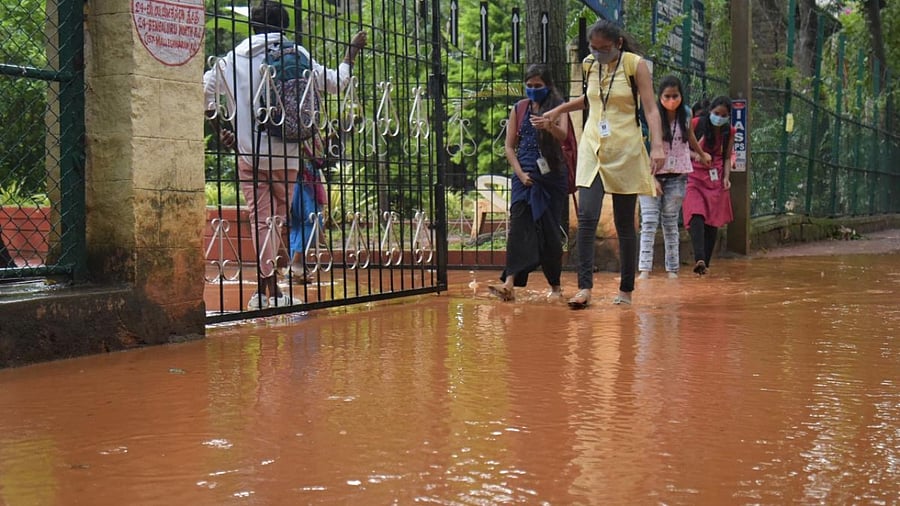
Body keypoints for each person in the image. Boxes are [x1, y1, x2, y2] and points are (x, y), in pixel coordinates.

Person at [203, 1, 366, 310]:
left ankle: (265, 291)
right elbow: (338, 82)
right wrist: (351, 51)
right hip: (289, 153)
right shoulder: (298, 54)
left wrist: (221, 127)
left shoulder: (231, 58)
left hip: (250, 152)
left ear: (253, 27)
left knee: (260, 219)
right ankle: (273, 290)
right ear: (284, 27)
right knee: (279, 220)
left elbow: (204, 93)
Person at [543, 19, 665, 308]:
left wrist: (658, 146)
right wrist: (561, 107)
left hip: (625, 149)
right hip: (593, 147)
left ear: (618, 44)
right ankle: (584, 288)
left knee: (624, 223)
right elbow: (590, 99)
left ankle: (625, 290)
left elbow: (650, 107)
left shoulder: (636, 65)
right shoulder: (589, 64)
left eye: (604, 48)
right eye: (593, 48)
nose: (598, 53)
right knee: (586, 218)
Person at [487, 65, 569, 302]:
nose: (533, 90)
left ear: (548, 85)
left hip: (551, 178)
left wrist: (549, 125)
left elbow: (564, 136)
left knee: (549, 232)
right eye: (529, 86)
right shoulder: (519, 108)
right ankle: (509, 283)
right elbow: (509, 146)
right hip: (524, 177)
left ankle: (555, 286)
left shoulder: (558, 106)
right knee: (519, 227)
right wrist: (521, 174)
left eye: (538, 86)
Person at [637, 76, 709, 279]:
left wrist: (701, 155)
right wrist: (650, 178)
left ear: (681, 96)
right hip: (650, 174)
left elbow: (691, 136)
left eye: (675, 96)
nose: (671, 100)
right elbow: (642, 147)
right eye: (666, 96)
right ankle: (644, 270)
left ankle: (672, 270)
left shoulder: (686, 113)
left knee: (670, 223)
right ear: (659, 97)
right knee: (649, 222)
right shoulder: (652, 117)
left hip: (678, 175)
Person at [683, 95, 734, 275]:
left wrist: (726, 177)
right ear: (710, 111)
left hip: (716, 178)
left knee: (712, 221)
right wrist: (696, 155)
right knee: (696, 212)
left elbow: (727, 157)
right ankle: (700, 258)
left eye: (723, 115)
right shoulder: (697, 124)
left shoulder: (730, 132)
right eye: (716, 113)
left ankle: (705, 266)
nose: (719, 117)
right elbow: (682, 148)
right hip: (695, 176)